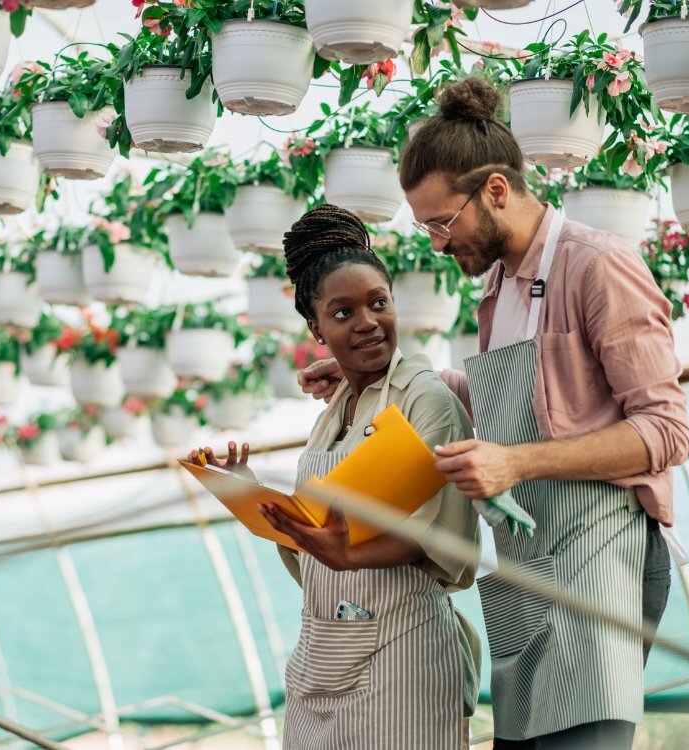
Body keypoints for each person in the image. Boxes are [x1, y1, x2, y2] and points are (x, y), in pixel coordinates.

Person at [298, 78, 689, 749]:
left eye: (442, 223)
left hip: (599, 554)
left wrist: (514, 461)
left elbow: (666, 430)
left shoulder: (598, 267)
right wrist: (378, 372)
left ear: (496, 192)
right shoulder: (499, 292)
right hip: (526, 562)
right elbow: (523, 401)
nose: (436, 244)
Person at [193, 204, 482, 749]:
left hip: (405, 651)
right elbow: (319, 545)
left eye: (378, 303)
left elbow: (438, 534)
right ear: (316, 328)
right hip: (322, 650)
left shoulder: (424, 397)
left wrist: (348, 553)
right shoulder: (334, 411)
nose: (368, 321)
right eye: (343, 313)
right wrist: (255, 499)